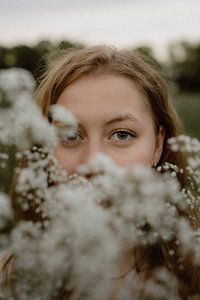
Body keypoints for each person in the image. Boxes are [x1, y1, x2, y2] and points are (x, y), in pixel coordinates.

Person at [1, 45, 200, 299]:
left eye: (122, 134)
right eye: (70, 135)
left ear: (158, 145)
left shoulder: (192, 280)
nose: (93, 163)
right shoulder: (8, 283)